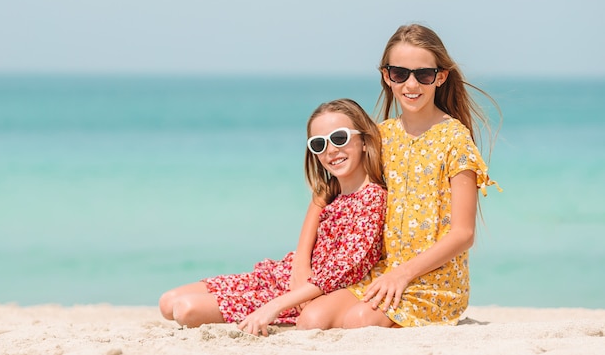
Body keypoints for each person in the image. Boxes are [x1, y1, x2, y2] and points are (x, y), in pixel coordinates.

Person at [296, 23, 500, 330]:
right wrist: (301, 263)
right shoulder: (379, 137)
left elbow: (463, 234)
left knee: (360, 321)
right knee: (310, 319)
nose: (411, 84)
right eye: (400, 73)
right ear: (386, 76)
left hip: (433, 281)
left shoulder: (456, 141)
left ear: (440, 77)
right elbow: (326, 193)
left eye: (424, 74)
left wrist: (403, 274)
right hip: (381, 273)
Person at [158, 98, 387, 336]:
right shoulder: (331, 191)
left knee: (185, 310)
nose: (331, 150)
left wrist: (274, 306)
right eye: (319, 144)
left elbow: (339, 273)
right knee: (168, 302)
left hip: (308, 294)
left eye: (340, 138)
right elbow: (314, 213)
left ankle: (273, 320)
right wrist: (300, 264)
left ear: (363, 140)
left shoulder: (372, 198)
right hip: (283, 276)